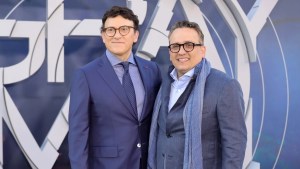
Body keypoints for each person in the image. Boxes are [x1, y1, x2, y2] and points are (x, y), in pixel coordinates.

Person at [68, 6, 161, 169]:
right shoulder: (86, 75)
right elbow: (78, 134)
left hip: (146, 163)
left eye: (124, 29)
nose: (117, 35)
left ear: (136, 35)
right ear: (103, 36)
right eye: (111, 30)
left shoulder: (151, 70)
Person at [147, 21, 247, 169]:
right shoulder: (164, 83)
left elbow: (234, 145)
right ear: (169, 52)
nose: (181, 51)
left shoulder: (225, 86)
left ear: (202, 50)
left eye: (189, 45)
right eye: (175, 46)